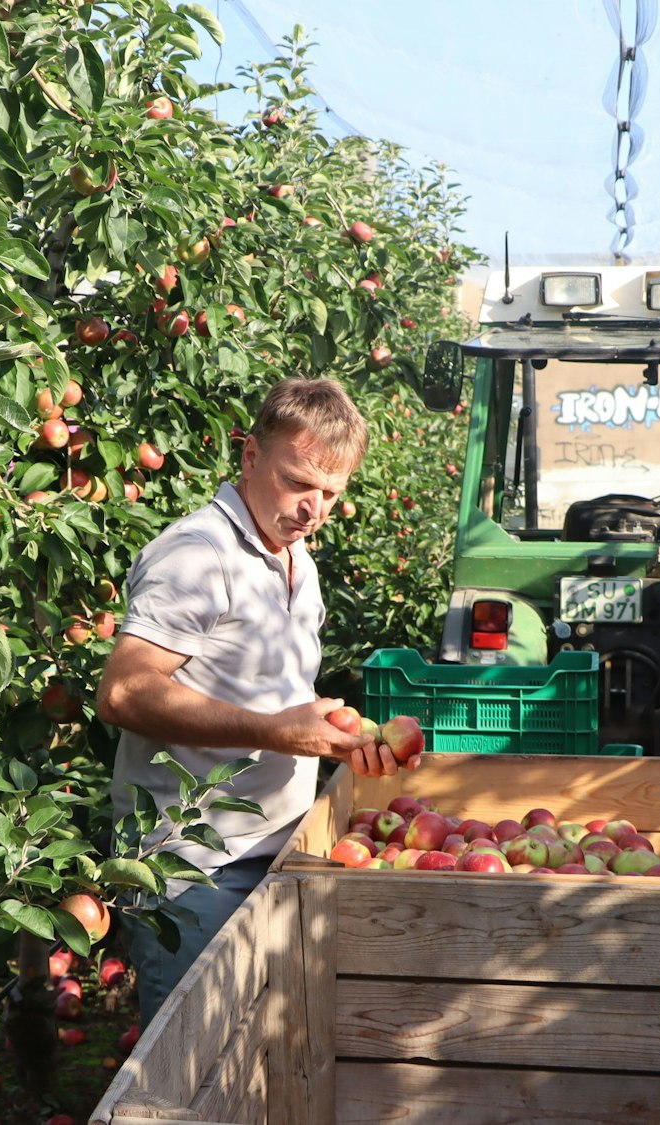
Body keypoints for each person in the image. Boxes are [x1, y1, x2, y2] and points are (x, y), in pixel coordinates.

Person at [97, 376, 418, 1027]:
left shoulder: (297, 554)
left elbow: (268, 694)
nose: (313, 507)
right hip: (191, 874)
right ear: (249, 456)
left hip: (274, 853)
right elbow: (125, 691)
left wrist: (329, 733)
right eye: (299, 482)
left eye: (330, 493)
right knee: (193, 1071)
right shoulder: (197, 557)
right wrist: (274, 730)